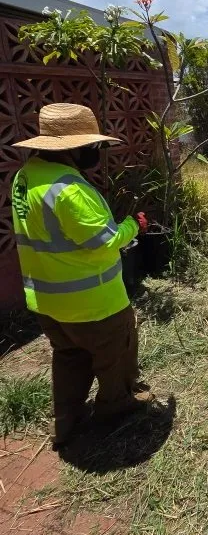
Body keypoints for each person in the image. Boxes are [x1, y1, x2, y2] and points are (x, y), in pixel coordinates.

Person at [11, 102, 153, 448]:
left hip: (45, 299)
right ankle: (114, 407)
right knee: (115, 353)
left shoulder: (26, 176)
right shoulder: (70, 190)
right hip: (92, 302)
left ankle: (67, 420)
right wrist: (134, 225)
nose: (98, 152)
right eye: (95, 146)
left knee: (69, 357)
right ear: (76, 148)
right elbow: (105, 244)